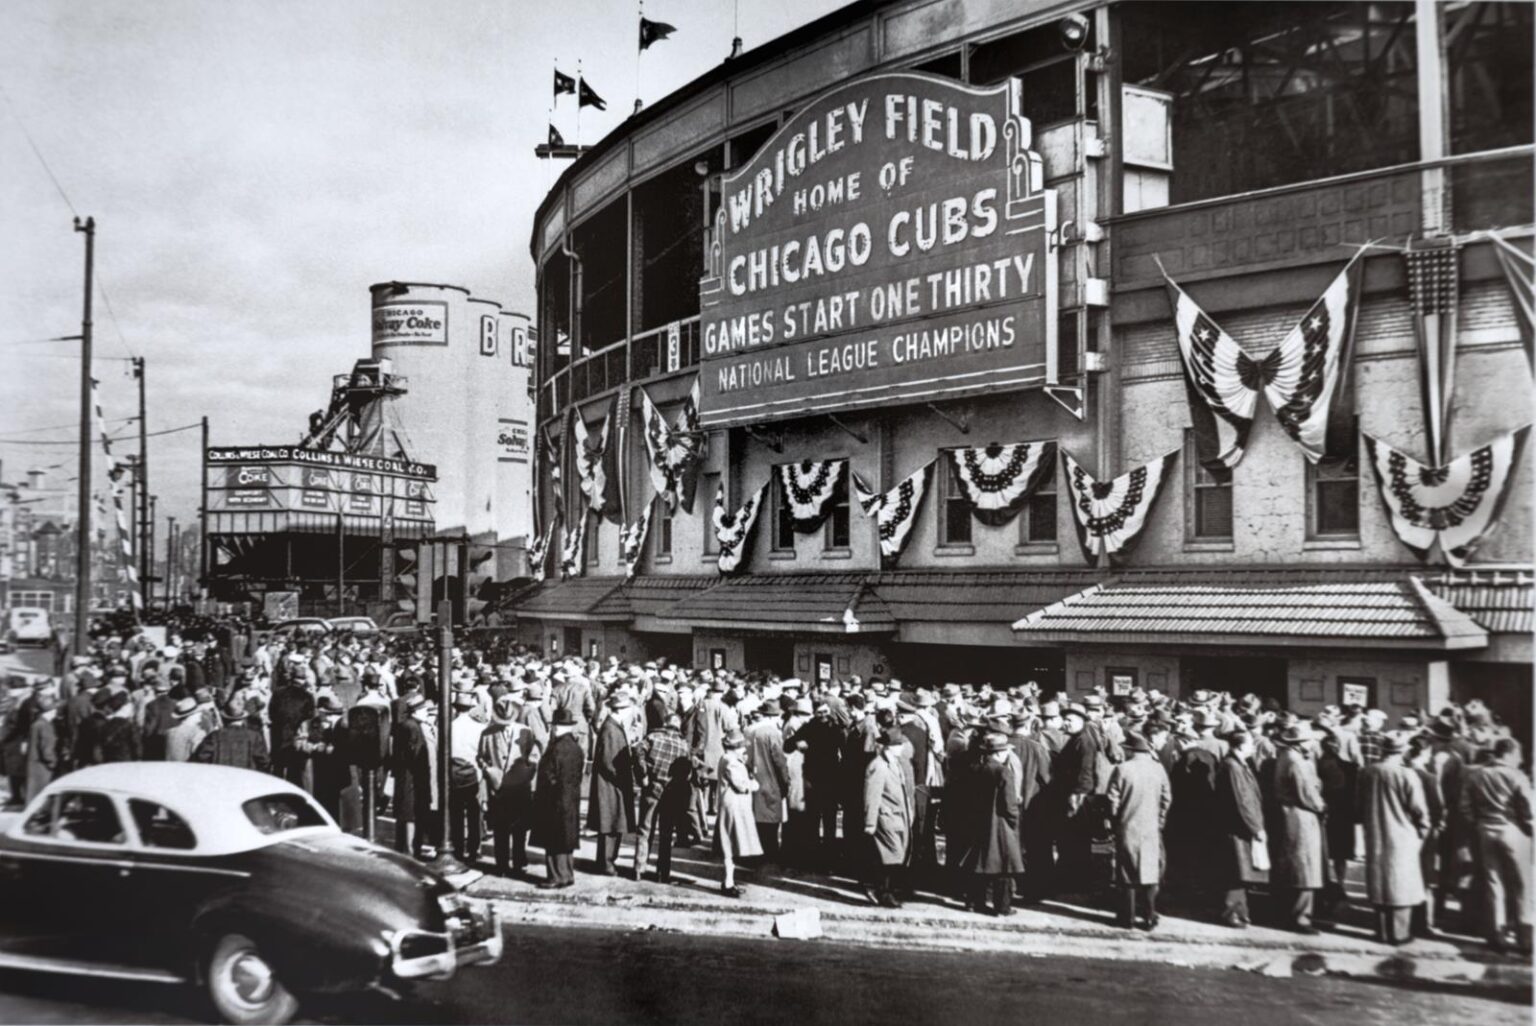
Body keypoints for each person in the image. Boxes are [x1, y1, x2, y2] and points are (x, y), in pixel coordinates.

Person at [1460, 738, 1533, 953]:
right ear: (1509, 753)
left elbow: (1465, 806)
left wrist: (1478, 824)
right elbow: (1527, 810)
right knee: (1522, 885)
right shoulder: (1517, 776)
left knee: (1494, 884)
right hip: (1513, 831)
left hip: (1486, 831)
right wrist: (1530, 830)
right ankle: (1525, 939)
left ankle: (1496, 936)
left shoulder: (1477, 774)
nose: (1520, 759)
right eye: (1518, 754)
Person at [1356, 734, 1431, 945]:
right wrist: (1423, 830)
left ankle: (1381, 931)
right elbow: (1419, 810)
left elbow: (1358, 806)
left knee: (1379, 881)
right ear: (1402, 751)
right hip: (1403, 835)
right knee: (1401, 883)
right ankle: (1399, 933)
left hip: (1375, 833)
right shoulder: (1407, 775)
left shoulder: (1367, 772)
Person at [1106, 731, 1172, 930]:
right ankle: (1149, 916)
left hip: (1127, 827)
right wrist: (1159, 821)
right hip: (1151, 827)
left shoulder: (1122, 769)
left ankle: (1127, 917)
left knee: (1127, 873)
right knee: (1150, 873)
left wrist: (1115, 821)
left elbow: (1112, 799)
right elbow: (1166, 799)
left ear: (1130, 750)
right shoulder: (1158, 769)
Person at [1270, 723, 1329, 934]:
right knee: (1305, 868)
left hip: (1289, 815)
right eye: (1310, 740)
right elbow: (1307, 794)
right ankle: (1301, 918)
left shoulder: (1285, 757)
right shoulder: (1297, 763)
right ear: (1300, 743)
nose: (1313, 744)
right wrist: (1322, 806)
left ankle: (1292, 914)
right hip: (1301, 817)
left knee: (1295, 866)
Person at [958, 730, 1023, 916]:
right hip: (1000, 824)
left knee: (979, 863)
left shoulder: (974, 769)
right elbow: (1010, 804)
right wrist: (1013, 821)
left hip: (978, 822)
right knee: (1004, 866)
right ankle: (1002, 906)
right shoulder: (1003, 772)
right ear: (999, 753)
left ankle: (973, 901)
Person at [479, 695, 537, 878]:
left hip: (520, 787)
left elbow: (534, 756)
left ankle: (519, 861)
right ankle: (501, 864)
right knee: (500, 828)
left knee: (520, 829)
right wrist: (489, 770)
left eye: (509, 722)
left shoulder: (525, 732)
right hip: (498, 789)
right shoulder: (488, 733)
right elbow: (481, 756)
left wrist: (528, 774)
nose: (506, 725)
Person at [1213, 729, 1267, 928]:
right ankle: (1231, 913)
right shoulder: (1232, 766)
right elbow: (1241, 801)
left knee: (1241, 872)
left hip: (1240, 827)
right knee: (1235, 871)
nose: (1253, 746)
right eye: (1251, 743)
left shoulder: (1238, 764)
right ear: (1241, 745)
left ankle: (1241, 912)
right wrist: (1256, 828)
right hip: (1237, 828)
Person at [634, 711, 692, 883]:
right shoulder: (683, 745)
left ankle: (639, 868)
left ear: (665, 723)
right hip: (671, 793)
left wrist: (643, 774)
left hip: (652, 787)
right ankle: (662, 872)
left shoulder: (653, 737)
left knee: (645, 829)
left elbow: (638, 751)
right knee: (666, 834)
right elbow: (687, 770)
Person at [861, 726, 914, 908]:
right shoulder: (879, 766)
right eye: (899, 745)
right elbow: (872, 795)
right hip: (886, 818)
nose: (902, 748)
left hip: (898, 818)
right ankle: (881, 892)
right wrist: (870, 822)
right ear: (890, 747)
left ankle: (883, 890)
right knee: (891, 856)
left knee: (894, 857)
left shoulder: (894, 763)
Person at [533, 708, 584, 889]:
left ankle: (555, 877)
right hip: (571, 799)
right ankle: (567, 874)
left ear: (556, 727)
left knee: (553, 841)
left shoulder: (555, 748)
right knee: (566, 840)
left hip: (554, 799)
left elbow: (548, 775)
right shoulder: (576, 747)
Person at [588, 694, 636, 875]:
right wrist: (624, 778)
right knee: (610, 825)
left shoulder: (612, 726)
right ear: (622, 711)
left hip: (611, 785)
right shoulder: (611, 729)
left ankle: (607, 861)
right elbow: (608, 762)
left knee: (613, 824)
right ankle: (606, 863)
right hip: (611, 786)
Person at [715, 730, 762, 897]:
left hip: (730, 805)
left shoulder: (728, 759)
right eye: (742, 746)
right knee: (730, 845)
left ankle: (729, 881)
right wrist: (752, 784)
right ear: (735, 747)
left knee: (730, 845)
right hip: (734, 806)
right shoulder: (731, 762)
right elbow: (741, 785)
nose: (744, 749)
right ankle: (728, 883)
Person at [390, 694, 437, 857]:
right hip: (413, 777)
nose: (427, 713)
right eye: (425, 710)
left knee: (406, 812)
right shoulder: (414, 728)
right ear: (418, 711)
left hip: (405, 776)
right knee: (410, 812)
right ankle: (410, 850)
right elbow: (416, 754)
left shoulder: (405, 725)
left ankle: (404, 847)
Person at [745, 699, 791, 862]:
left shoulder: (752, 731)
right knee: (772, 818)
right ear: (774, 716)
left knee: (758, 816)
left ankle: (757, 851)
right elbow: (779, 760)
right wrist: (785, 781)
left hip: (756, 777)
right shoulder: (773, 733)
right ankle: (770, 851)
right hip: (771, 780)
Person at [448, 691, 487, 864]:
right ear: (471, 708)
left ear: (456, 708)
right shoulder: (479, 728)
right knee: (474, 813)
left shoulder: (449, 726)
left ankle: (457, 847)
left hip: (454, 772)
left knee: (456, 813)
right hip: (474, 773)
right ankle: (474, 849)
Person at [192, 697, 271, 772]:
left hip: (220, 780)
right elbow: (264, 762)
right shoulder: (254, 737)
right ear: (243, 719)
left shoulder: (214, 736)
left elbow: (200, 759)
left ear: (224, 718)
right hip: (246, 781)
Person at [25, 689, 59, 804]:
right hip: (43, 769)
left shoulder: (36, 723)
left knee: (33, 798)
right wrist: (54, 763)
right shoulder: (46, 726)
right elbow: (47, 751)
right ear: (50, 711)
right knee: (41, 800)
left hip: (33, 766)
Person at [164, 696, 208, 763]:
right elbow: (200, 758)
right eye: (198, 712)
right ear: (193, 715)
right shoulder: (198, 733)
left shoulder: (169, 732)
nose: (200, 715)